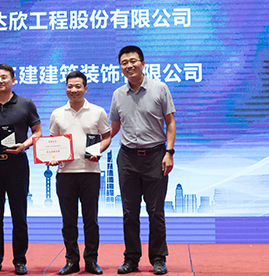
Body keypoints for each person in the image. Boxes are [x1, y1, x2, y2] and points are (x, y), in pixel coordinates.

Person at [109, 46, 176, 275]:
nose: (129, 65)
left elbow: (170, 123)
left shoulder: (160, 88)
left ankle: (158, 258)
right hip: (127, 157)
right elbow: (113, 128)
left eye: (133, 61)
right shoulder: (118, 94)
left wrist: (169, 152)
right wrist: (90, 142)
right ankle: (131, 259)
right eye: (124, 62)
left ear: (143, 63)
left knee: (156, 211)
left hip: (155, 156)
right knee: (129, 212)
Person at [0, 64, 42, 275]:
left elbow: (37, 132)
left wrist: (25, 145)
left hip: (17, 165)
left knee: (19, 215)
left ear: (13, 80)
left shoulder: (26, 104)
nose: (0, 81)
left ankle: (20, 260)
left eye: (4, 77)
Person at [49, 71, 111, 275]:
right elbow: (53, 142)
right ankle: (71, 261)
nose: (73, 90)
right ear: (66, 88)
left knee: (90, 220)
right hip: (65, 173)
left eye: (78, 86)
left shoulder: (98, 111)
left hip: (90, 172)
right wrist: (52, 157)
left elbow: (107, 136)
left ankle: (91, 260)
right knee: (68, 221)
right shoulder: (57, 113)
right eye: (70, 86)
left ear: (85, 88)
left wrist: (98, 150)